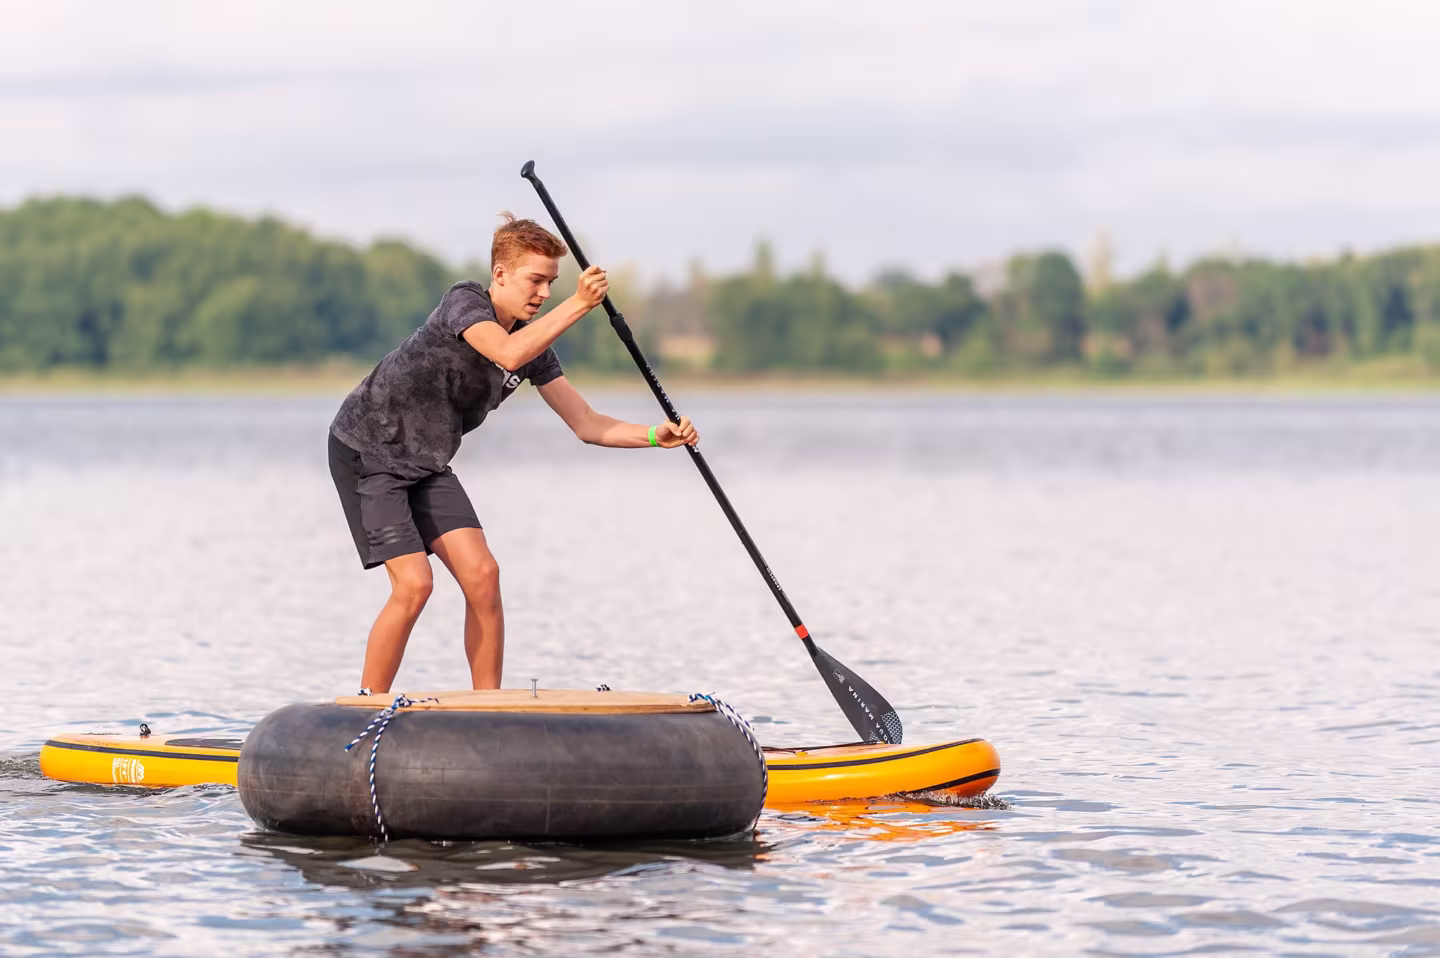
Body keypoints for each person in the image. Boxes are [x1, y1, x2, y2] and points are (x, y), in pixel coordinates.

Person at [327, 213, 698, 694]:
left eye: (552, 283)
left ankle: (488, 708)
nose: (544, 293)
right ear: (500, 274)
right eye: (535, 280)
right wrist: (580, 303)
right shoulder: (464, 302)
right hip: (368, 450)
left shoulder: (533, 345)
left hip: (426, 463)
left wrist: (654, 435)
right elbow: (505, 353)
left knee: (484, 575)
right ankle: (367, 707)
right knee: (415, 585)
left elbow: (586, 423)